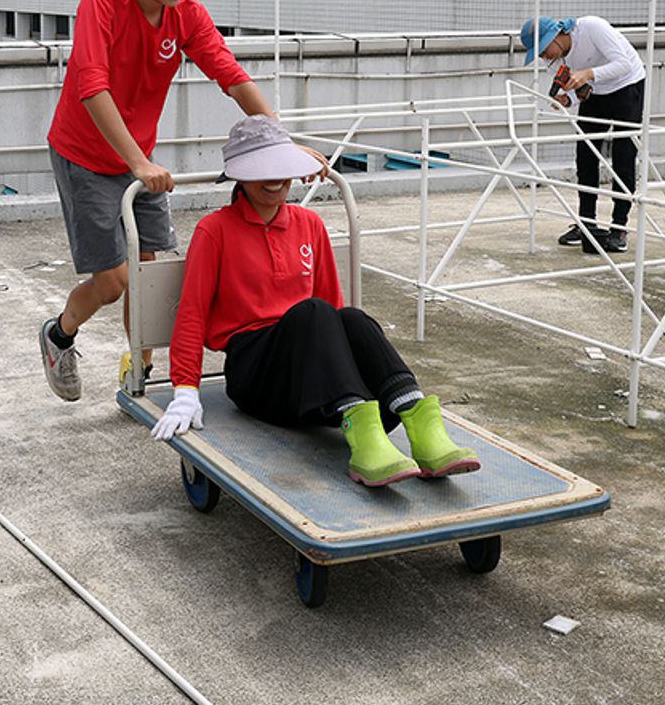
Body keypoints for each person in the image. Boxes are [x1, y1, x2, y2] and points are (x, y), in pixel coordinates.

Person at [150, 116, 480, 487]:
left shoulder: (310, 225)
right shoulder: (215, 230)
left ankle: (417, 419)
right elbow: (192, 312)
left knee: (351, 318)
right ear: (240, 177)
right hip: (255, 374)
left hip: (306, 375)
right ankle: (360, 427)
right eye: (260, 170)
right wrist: (185, 390)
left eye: (281, 168)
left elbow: (333, 319)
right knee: (316, 311)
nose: (274, 180)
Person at [39, 0, 275, 402]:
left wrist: (277, 138)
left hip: (138, 156)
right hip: (85, 155)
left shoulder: (186, 14)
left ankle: (139, 370)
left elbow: (228, 73)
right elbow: (92, 86)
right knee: (114, 284)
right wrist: (138, 163)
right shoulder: (102, 4)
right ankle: (59, 335)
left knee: (146, 277)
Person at [518, 15, 648, 254]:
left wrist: (587, 74)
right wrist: (569, 99)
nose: (543, 57)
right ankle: (587, 223)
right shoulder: (554, 62)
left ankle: (619, 226)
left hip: (627, 86)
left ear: (557, 36)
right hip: (597, 91)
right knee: (586, 156)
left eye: (543, 49)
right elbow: (584, 91)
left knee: (623, 156)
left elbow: (623, 64)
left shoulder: (591, 28)